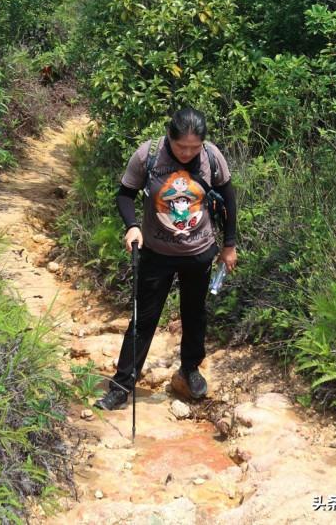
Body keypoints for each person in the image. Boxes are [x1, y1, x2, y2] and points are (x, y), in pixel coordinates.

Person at [95, 106, 237, 410]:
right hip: (156, 253)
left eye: (193, 147)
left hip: (199, 252)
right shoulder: (149, 155)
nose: (187, 153)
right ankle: (121, 385)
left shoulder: (212, 157)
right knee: (143, 319)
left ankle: (189, 370)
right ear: (168, 137)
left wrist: (229, 244)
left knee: (194, 314)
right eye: (181, 146)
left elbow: (229, 198)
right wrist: (132, 226)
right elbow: (125, 194)